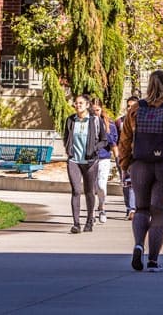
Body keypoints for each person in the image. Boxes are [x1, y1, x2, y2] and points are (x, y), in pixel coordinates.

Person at [117, 70, 163, 272]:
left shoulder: (134, 110)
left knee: (141, 208)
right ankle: (153, 260)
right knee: (158, 212)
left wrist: (124, 165)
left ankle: (139, 244)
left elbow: (124, 140)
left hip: (140, 164)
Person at [62, 94, 107, 233]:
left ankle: (89, 221)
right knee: (76, 191)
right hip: (74, 160)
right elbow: (66, 137)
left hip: (90, 161)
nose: (78, 105)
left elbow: (104, 140)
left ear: (87, 105)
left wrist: (94, 149)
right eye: (76, 103)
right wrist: (69, 149)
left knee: (89, 192)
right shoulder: (70, 120)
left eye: (81, 103)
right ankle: (76, 224)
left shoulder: (95, 121)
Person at [90, 97, 118, 224]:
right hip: (90, 159)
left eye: (97, 110)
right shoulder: (86, 122)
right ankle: (92, 213)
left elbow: (113, 143)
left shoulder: (109, 125)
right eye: (93, 110)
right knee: (91, 187)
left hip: (103, 158)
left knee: (101, 186)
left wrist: (118, 160)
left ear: (101, 110)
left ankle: (102, 207)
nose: (95, 112)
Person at [115, 96, 139, 220]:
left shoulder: (143, 121)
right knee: (125, 184)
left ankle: (132, 209)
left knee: (134, 183)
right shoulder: (120, 121)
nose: (130, 108)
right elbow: (116, 139)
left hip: (137, 157)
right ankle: (128, 207)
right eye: (128, 106)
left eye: (133, 106)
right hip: (124, 156)